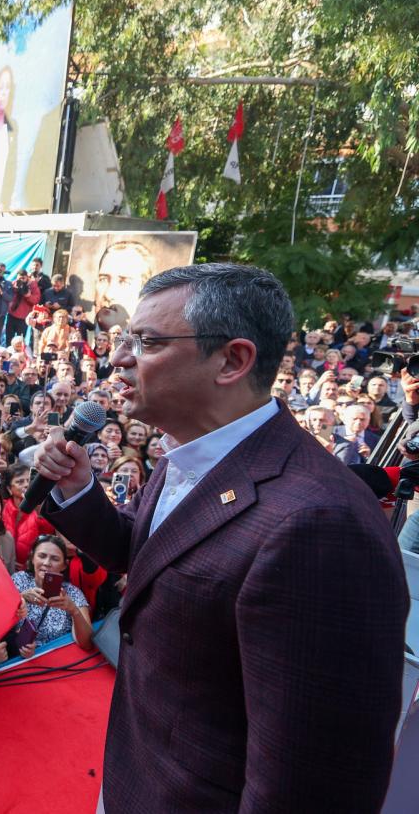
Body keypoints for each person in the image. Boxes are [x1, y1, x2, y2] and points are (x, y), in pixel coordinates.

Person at [34, 263, 405, 812]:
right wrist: (80, 489)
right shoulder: (190, 452)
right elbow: (154, 555)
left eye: (149, 342)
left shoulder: (320, 526)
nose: (118, 358)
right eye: (126, 339)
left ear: (232, 360)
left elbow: (310, 784)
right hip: (137, 776)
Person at [9, 534, 93, 657]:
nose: (47, 563)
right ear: (32, 558)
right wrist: (21, 597)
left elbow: (87, 643)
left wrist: (73, 610)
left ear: (64, 565)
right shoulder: (18, 580)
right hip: (18, 663)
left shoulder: (73, 593)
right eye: (42, 556)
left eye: (55, 559)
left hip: (58, 661)